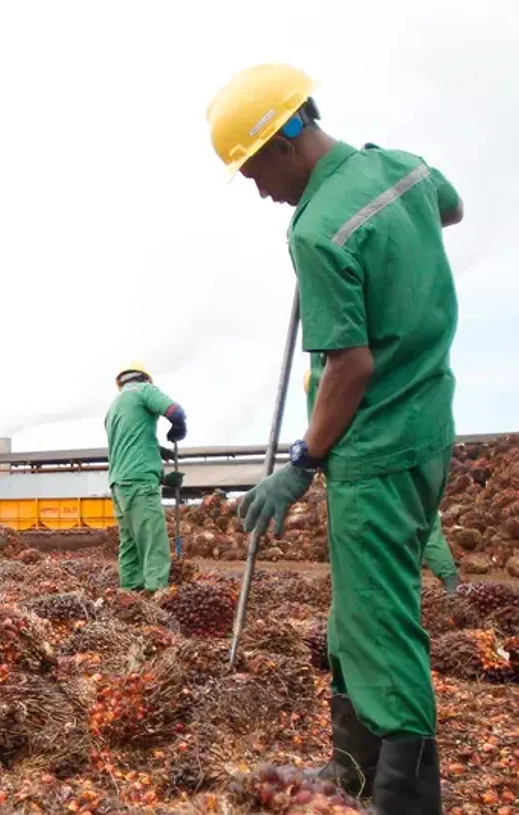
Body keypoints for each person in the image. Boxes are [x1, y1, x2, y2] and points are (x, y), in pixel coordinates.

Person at [207, 64, 462, 814]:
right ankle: (355, 773)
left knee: (382, 624)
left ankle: (407, 797)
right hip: (426, 430)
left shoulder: (317, 230)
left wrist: (301, 463)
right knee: (356, 614)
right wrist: (392, 250)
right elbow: (447, 208)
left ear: (287, 138)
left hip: (375, 446)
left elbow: (350, 367)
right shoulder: (403, 169)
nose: (258, 189)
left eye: (255, 169)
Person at [303, 368, 461, 594]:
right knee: (419, 522)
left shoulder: (330, 376)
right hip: (399, 452)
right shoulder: (400, 375)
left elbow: (325, 423)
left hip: (363, 465)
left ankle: (427, 584)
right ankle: (446, 581)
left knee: (373, 535)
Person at [103, 362, 187, 593]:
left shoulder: (113, 409)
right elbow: (175, 412)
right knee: (153, 543)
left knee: (130, 544)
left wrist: (159, 458)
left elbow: (132, 444)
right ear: (145, 379)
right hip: (139, 483)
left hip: (119, 486)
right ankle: (155, 596)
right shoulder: (144, 391)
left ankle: (130, 597)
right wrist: (179, 426)